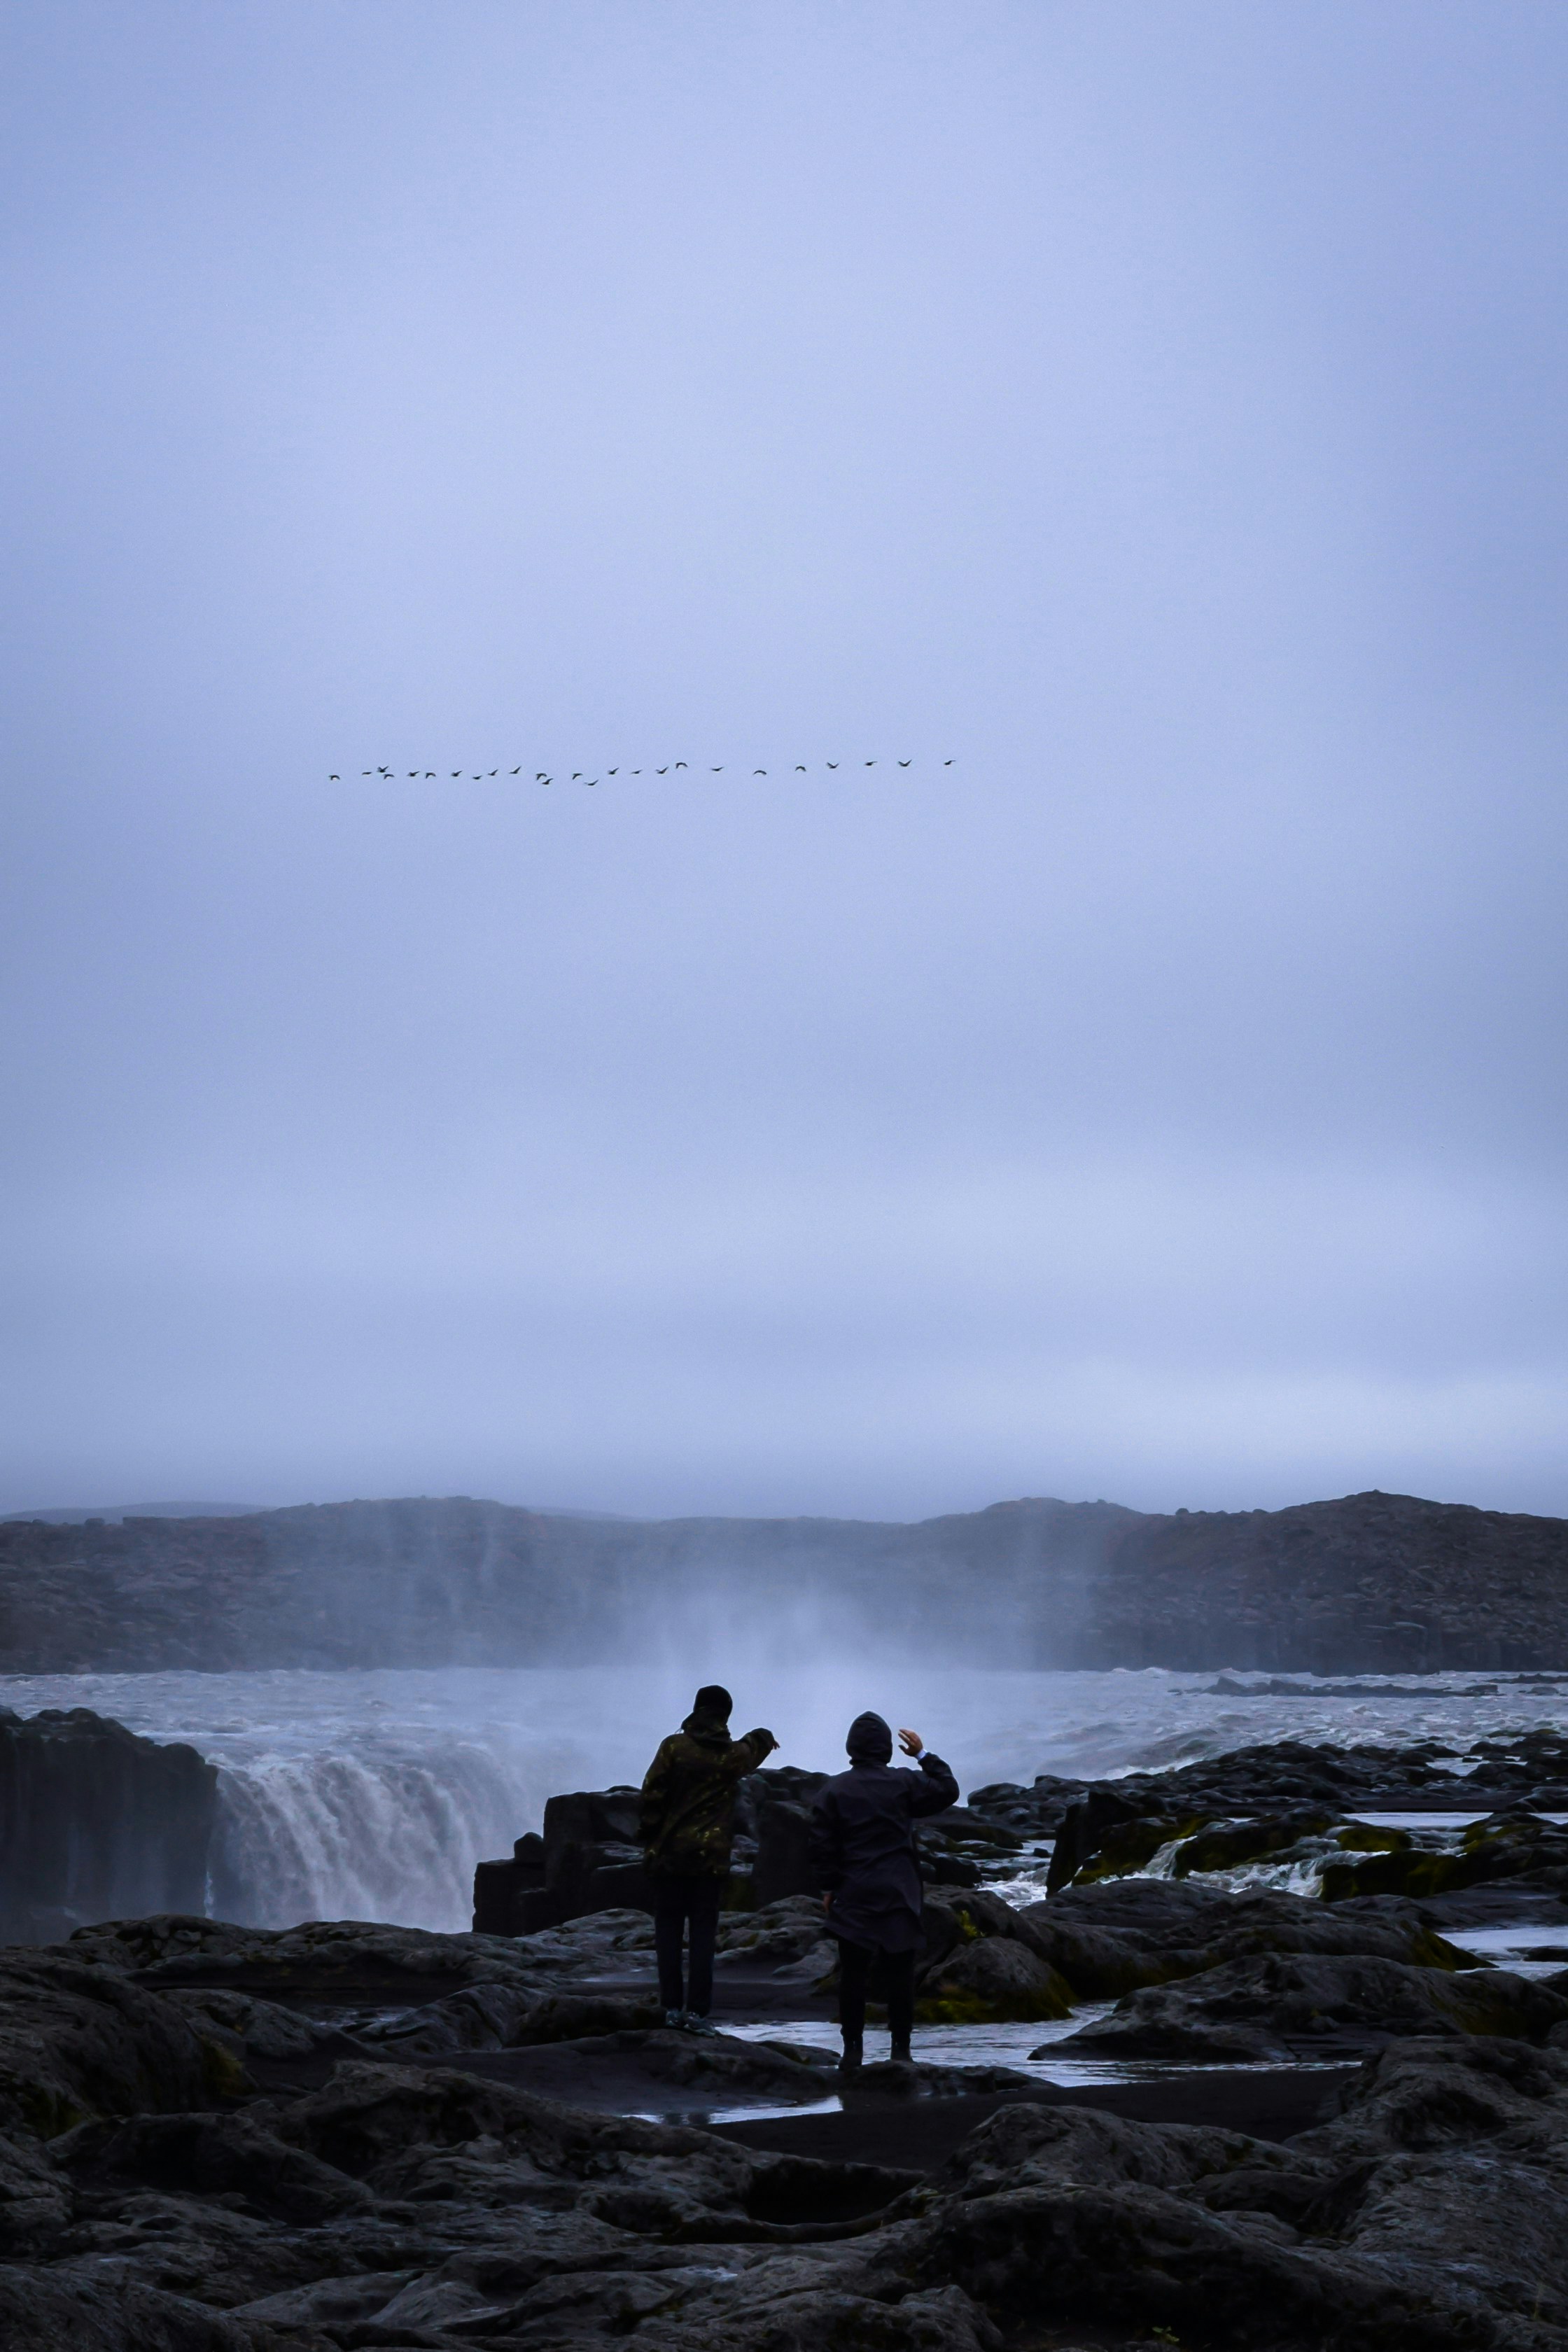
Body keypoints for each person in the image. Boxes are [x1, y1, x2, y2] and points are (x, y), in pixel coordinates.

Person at [808, 1711, 958, 2072]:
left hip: (855, 1890)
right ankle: (901, 2051)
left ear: (851, 1748)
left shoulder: (834, 1789)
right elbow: (948, 1790)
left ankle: (853, 2052)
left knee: (853, 1975)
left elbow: (822, 1845)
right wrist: (923, 1755)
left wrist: (829, 1886)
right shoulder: (905, 1783)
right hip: (899, 1889)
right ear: (887, 1750)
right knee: (900, 1973)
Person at [638, 1684, 777, 2034]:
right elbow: (753, 1749)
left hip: (670, 1857)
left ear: (697, 1709)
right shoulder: (730, 1756)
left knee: (668, 1930)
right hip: (710, 1861)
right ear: (725, 1716)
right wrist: (765, 1736)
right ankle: (698, 2014)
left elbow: (651, 1794)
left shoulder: (674, 1747)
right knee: (703, 1935)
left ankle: (670, 2008)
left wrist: (651, 1835)